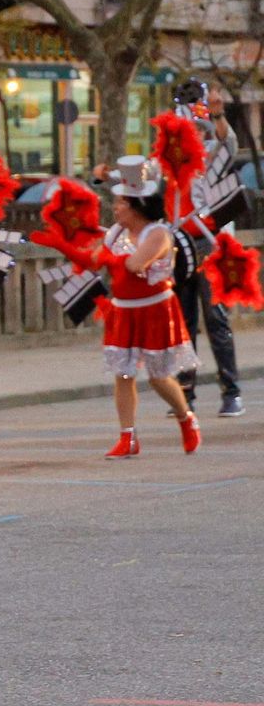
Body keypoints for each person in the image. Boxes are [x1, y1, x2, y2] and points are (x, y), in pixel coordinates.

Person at [97, 156, 202, 458]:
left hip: (154, 309)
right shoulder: (116, 232)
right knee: (124, 374)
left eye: (119, 203)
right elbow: (97, 257)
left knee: (158, 376)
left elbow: (133, 264)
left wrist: (105, 259)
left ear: (136, 206)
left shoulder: (157, 234)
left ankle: (186, 418)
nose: (115, 207)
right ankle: (127, 437)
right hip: (123, 309)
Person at [174, 84, 244, 417]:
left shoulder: (213, 153)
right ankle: (184, 395)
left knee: (215, 319)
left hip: (210, 243)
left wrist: (214, 113)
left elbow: (228, 142)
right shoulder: (171, 164)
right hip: (179, 244)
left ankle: (231, 391)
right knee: (183, 323)